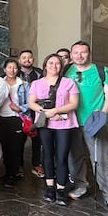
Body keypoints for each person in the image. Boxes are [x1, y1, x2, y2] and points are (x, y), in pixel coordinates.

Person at [65, 41, 108, 214]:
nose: (79, 55)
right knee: (75, 156)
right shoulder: (66, 70)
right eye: (76, 52)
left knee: (102, 158)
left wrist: (102, 114)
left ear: (89, 53)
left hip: (94, 122)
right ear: (71, 54)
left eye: (83, 52)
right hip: (72, 121)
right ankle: (80, 185)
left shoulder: (100, 71)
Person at [29, 54, 80, 206]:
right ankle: (50, 187)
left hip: (65, 123)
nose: (54, 66)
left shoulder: (69, 83)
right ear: (45, 65)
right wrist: (47, 113)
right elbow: (31, 103)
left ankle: (61, 189)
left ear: (61, 66)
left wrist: (56, 111)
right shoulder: (36, 83)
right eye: (50, 63)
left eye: (57, 63)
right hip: (45, 123)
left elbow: (74, 103)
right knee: (47, 154)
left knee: (62, 156)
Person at [0, 59, 27, 187]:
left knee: (16, 149)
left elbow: (30, 102)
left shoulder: (23, 85)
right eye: (9, 67)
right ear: (4, 69)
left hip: (17, 119)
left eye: (15, 68)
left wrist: (20, 109)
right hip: (2, 119)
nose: (12, 70)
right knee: (5, 148)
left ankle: (13, 174)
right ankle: (8, 173)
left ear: (18, 70)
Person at [19, 49, 44, 178]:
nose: (26, 60)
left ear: (33, 60)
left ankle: (36, 164)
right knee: (19, 140)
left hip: (36, 110)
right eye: (24, 57)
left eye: (29, 58)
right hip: (19, 111)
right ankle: (19, 165)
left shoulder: (40, 73)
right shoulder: (14, 72)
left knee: (37, 139)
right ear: (19, 60)